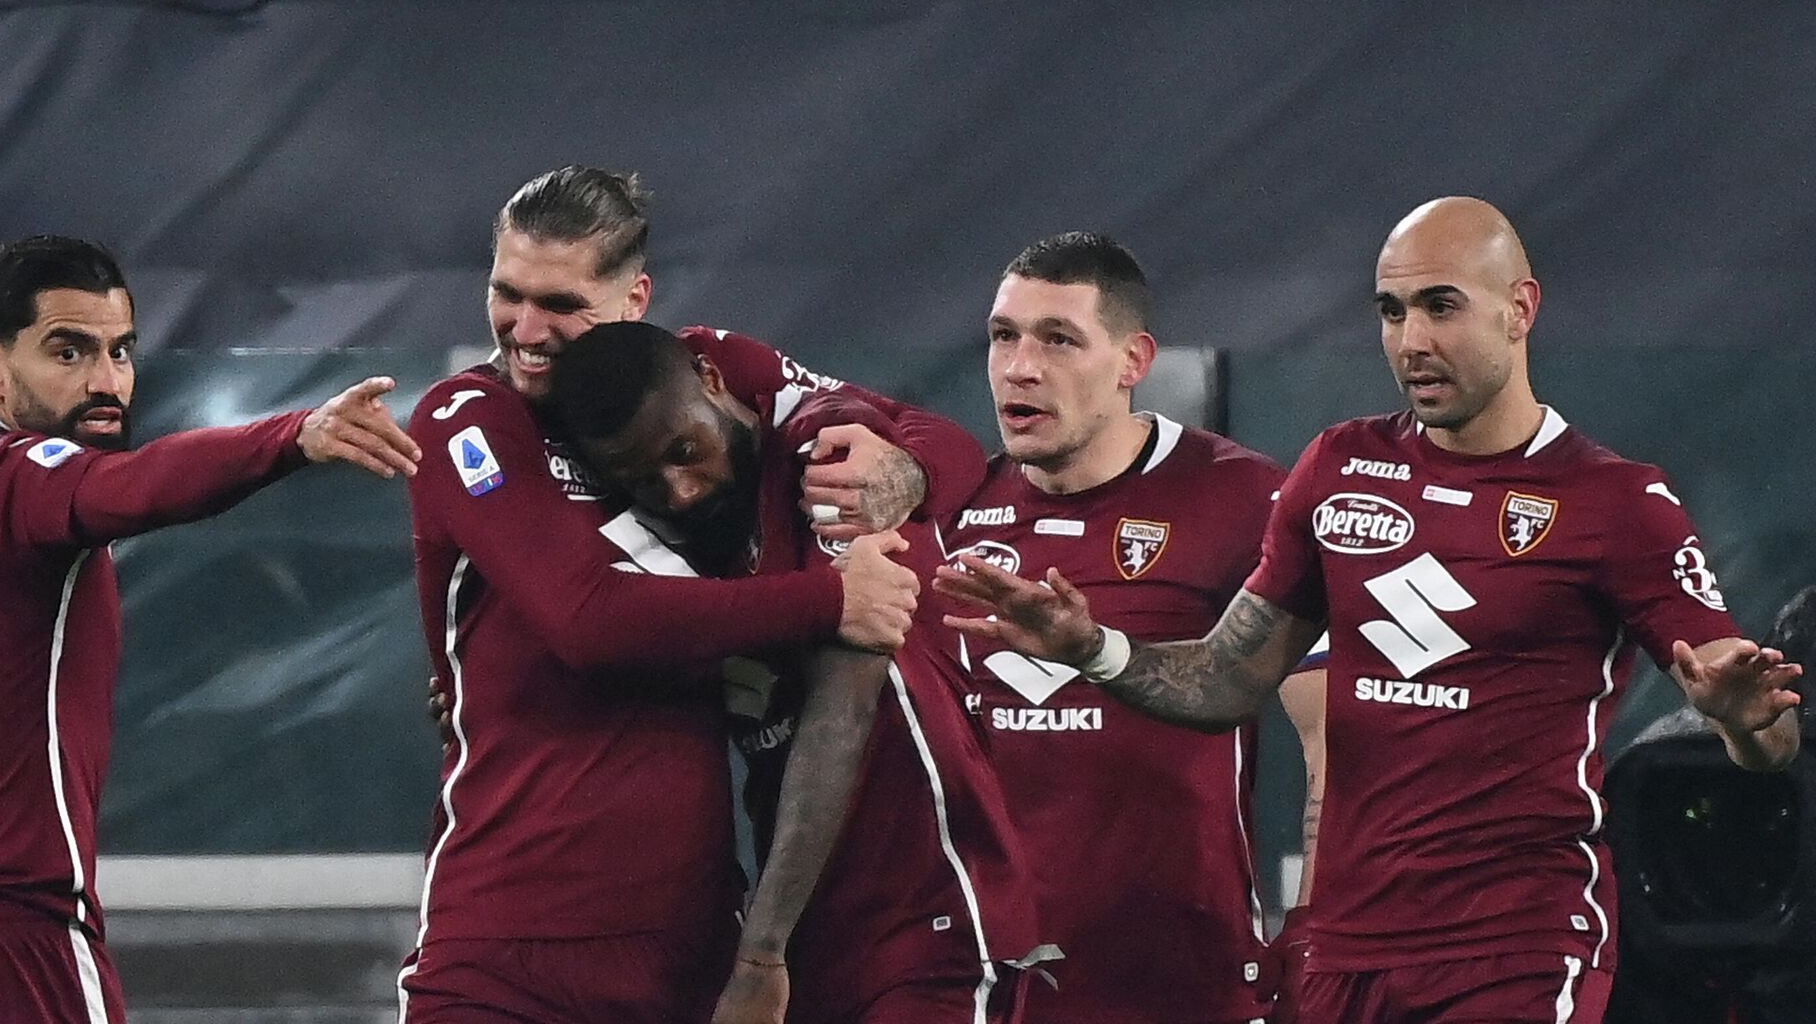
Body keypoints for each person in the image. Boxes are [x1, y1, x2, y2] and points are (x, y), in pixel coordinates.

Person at [936, 196, 1802, 1024]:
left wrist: (1742, 723)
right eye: (1392, 311)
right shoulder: (1338, 466)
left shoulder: (1617, 502)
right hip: (1347, 954)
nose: (1412, 340)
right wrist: (1093, 647)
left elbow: (1762, 727)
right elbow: (1228, 678)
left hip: (1516, 942)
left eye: (1440, 306)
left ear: (1520, 308)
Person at [398, 167, 980, 1023]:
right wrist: (827, 601)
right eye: (505, 293)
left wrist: (904, 471)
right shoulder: (469, 420)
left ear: (635, 296)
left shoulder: (705, 369)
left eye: (560, 304)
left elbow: (947, 443)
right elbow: (585, 621)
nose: (525, 331)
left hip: (691, 948)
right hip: (505, 941)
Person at [0, 234, 421, 1023]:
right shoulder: (18, 479)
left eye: (120, 352)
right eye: (68, 353)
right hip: (12, 943)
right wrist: (292, 436)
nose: (106, 383)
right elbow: (134, 488)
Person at [547, 320, 1047, 1024]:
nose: (680, 490)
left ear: (712, 383)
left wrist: (759, 953)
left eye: (685, 451)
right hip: (813, 928)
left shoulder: (827, 459)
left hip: (928, 915)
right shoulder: (679, 539)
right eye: (646, 480)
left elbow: (843, 713)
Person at [937, 231, 1321, 1024]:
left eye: (1059, 339)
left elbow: (1334, 745)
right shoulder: (956, 510)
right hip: (993, 985)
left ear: (1133, 360)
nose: (1020, 367)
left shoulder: (1246, 499)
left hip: (1185, 984)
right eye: (1003, 335)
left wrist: (1315, 935)